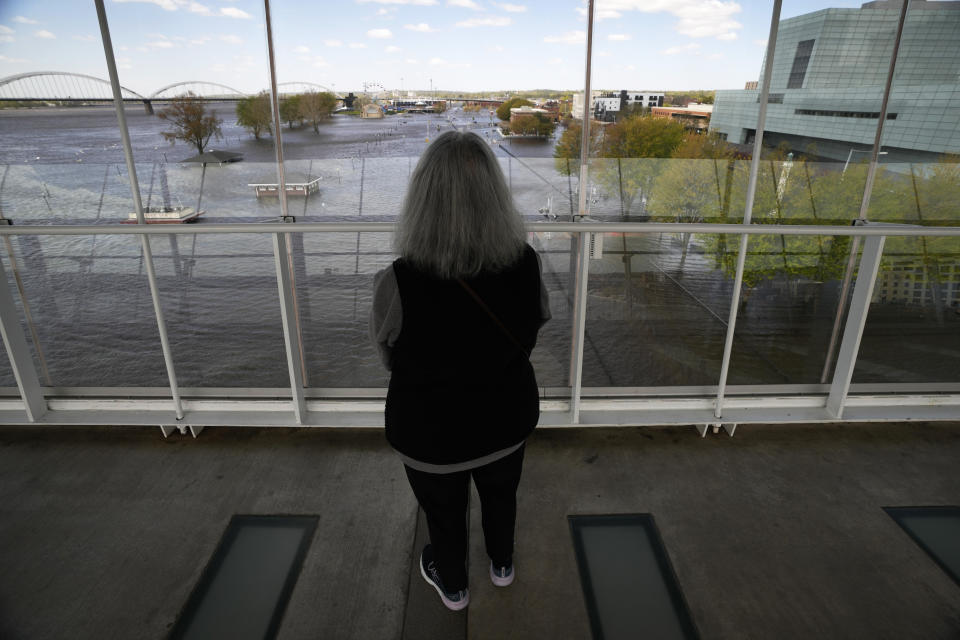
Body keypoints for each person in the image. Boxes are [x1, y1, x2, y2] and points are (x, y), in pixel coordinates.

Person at [370, 131, 550, 611]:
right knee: (501, 496)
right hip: (505, 419)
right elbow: (534, 330)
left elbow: (389, 354)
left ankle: (453, 586)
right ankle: (502, 564)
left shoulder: (398, 280)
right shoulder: (527, 265)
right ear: (496, 196)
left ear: (421, 200)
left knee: (443, 513)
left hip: (430, 434)